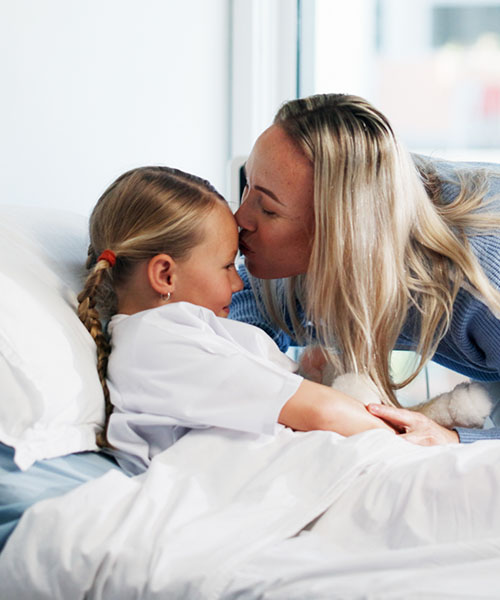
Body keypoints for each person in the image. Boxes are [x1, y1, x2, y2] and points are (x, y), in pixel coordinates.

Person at [77, 165, 391, 474]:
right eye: (227, 266)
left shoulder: (174, 336)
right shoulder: (156, 343)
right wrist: (409, 439)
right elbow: (322, 412)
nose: (238, 283)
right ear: (165, 275)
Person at [230, 92, 500, 446]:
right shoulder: (327, 258)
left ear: (340, 232)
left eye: (267, 209)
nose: (238, 218)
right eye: (246, 186)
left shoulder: (477, 281)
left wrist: (455, 439)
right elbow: (245, 296)